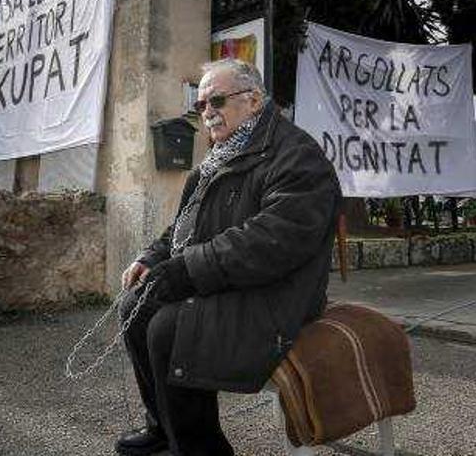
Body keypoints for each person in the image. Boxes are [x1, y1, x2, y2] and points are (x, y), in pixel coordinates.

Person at [115, 59, 340, 456]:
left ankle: (201, 449)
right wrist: (153, 256)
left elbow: (270, 242)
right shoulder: (218, 159)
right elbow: (184, 228)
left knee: (169, 327)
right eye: (201, 105)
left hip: (277, 293)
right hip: (229, 281)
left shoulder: (297, 156)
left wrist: (186, 271)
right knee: (135, 304)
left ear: (253, 100)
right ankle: (165, 429)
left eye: (216, 100)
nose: (207, 113)